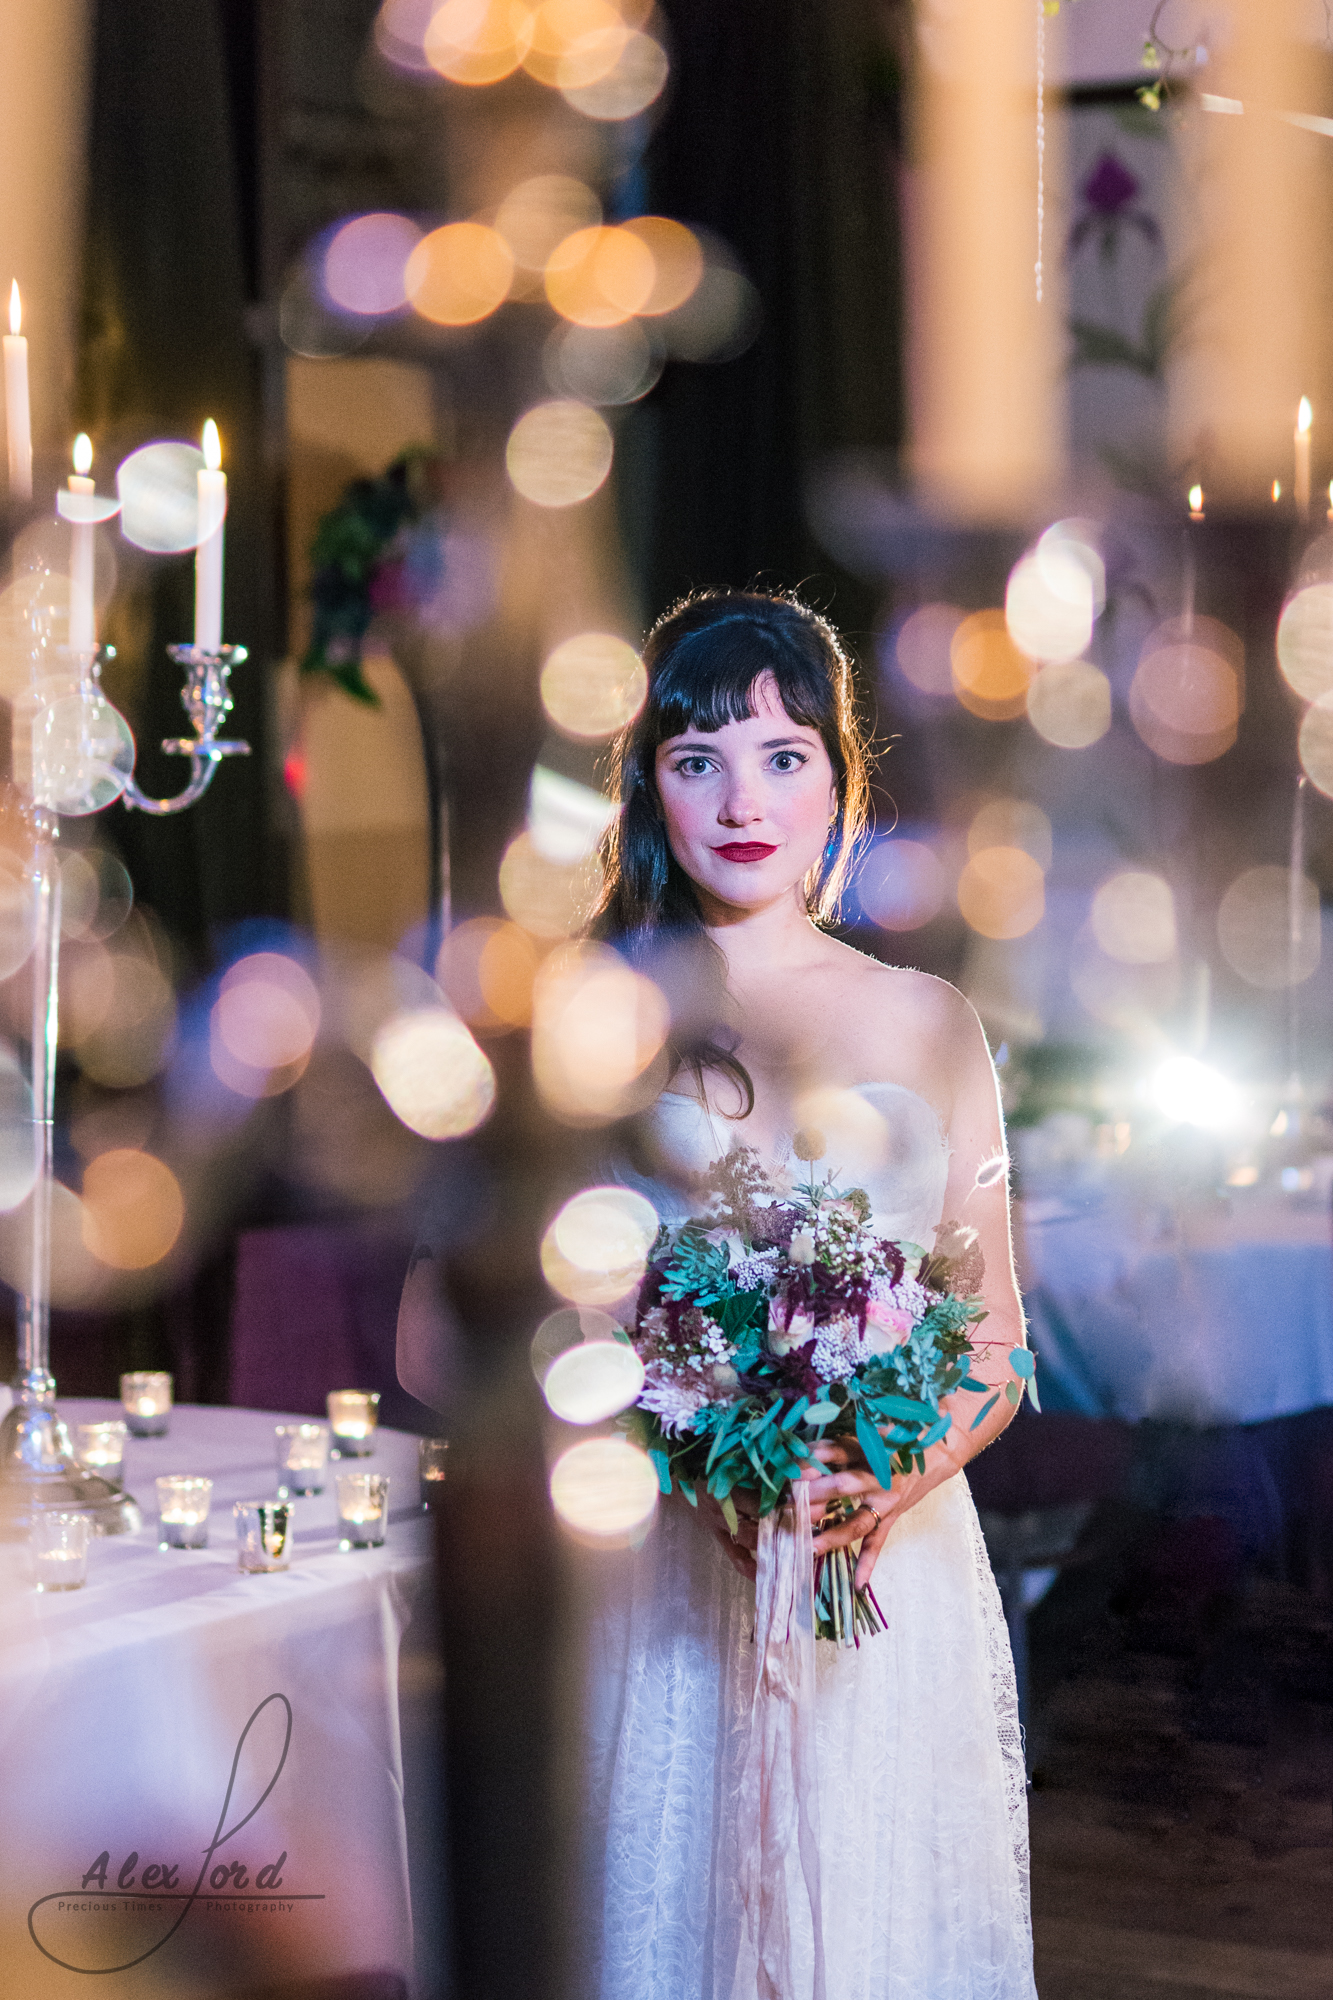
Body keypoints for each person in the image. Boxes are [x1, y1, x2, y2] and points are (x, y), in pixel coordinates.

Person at [577, 590, 1037, 2000]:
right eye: (697, 755)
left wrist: (880, 1477)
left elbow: (1002, 1345)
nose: (741, 798)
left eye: (783, 757)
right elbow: (444, 1332)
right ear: (647, 784)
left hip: (885, 1578)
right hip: (660, 1578)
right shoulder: (589, 1014)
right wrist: (688, 1455)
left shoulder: (927, 1022)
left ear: (839, 783)